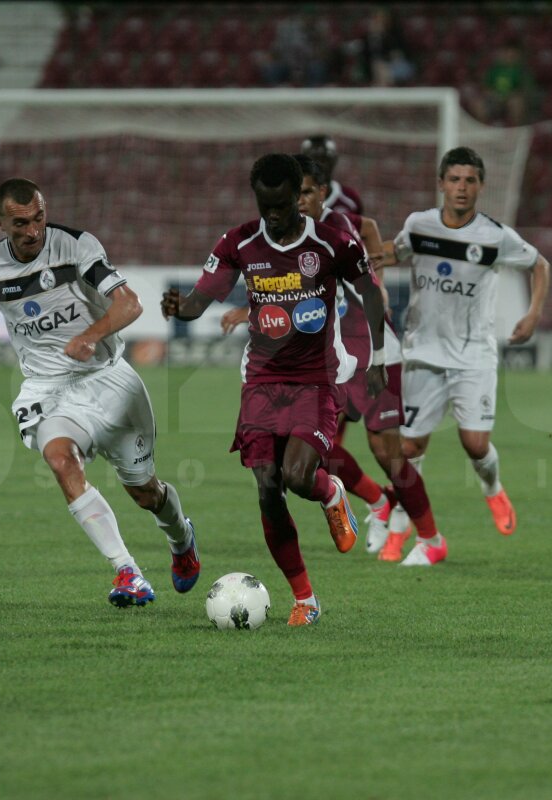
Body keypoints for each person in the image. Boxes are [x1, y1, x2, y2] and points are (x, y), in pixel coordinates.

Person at [0, 178, 199, 607]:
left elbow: (130, 304)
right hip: (49, 389)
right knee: (60, 458)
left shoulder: (76, 247)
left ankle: (181, 539)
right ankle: (128, 572)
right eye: (21, 223)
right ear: (0, 223)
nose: (33, 231)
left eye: (39, 218)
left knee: (144, 491)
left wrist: (90, 335)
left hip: (108, 379)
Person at [162, 153, 388, 626]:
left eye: (283, 204)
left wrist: (378, 357)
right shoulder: (239, 242)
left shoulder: (331, 243)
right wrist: (179, 308)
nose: (275, 215)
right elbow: (201, 299)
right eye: (266, 205)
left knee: (297, 476)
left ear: (298, 195)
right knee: (267, 488)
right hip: (262, 380)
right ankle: (305, 598)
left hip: (316, 379)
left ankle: (330, 494)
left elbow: (368, 291)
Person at [221, 155, 441, 560]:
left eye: (306, 192)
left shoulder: (336, 230)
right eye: (294, 193)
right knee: (314, 451)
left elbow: (368, 234)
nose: (299, 200)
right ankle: (378, 502)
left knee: (388, 455)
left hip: (373, 355)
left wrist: (376, 278)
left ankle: (431, 540)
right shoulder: (286, 236)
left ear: (323, 193)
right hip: (330, 360)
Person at [382, 147, 550, 565]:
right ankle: (401, 527)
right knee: (410, 445)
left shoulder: (495, 236)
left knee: (475, 445)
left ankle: (492, 489)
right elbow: (392, 252)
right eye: (454, 179)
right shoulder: (418, 225)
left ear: (481, 186)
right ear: (441, 183)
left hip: (473, 355)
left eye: (470, 180)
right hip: (422, 351)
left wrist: (533, 314)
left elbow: (540, 264)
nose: (461, 188)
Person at [300, 135, 365, 216]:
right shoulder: (292, 199)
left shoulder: (350, 199)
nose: (319, 164)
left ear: (335, 160)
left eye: (324, 158)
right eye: (313, 158)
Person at [481, 41, 535, 126]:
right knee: (479, 105)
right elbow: (486, 88)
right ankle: (484, 129)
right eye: (507, 54)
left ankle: (515, 129)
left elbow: (524, 90)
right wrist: (494, 95)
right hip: (495, 99)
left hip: (511, 99)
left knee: (516, 103)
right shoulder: (494, 70)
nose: (509, 57)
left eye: (513, 55)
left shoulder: (521, 71)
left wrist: (508, 96)